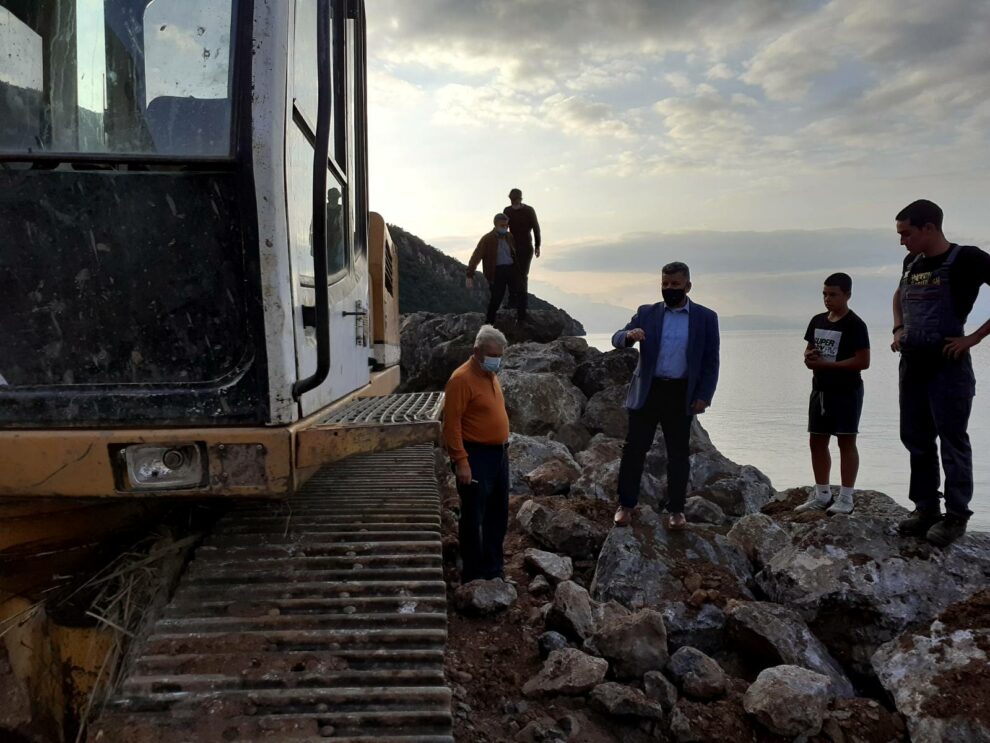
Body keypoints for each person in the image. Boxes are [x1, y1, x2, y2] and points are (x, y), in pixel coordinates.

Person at [891, 199, 990, 546]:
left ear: (929, 228)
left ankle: (957, 516)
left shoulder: (968, 259)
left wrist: (973, 338)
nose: (902, 241)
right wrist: (898, 330)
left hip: (949, 365)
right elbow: (899, 294)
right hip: (913, 364)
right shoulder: (911, 261)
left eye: (906, 233)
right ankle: (926, 508)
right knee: (916, 439)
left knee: (952, 440)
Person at [611, 262, 720, 530]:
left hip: (681, 392)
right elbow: (616, 338)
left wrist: (704, 395)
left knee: (678, 454)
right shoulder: (646, 313)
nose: (669, 289)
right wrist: (629, 336)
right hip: (648, 390)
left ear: (688, 286)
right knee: (634, 450)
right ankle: (626, 506)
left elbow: (711, 360)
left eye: (675, 284)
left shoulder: (706, 317)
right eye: (665, 284)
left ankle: (676, 511)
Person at [794, 273, 870, 515]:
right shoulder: (818, 320)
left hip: (847, 391)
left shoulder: (855, 325)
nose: (828, 299)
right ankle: (822, 494)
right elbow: (809, 351)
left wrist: (831, 366)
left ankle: (846, 497)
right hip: (820, 390)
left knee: (846, 441)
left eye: (833, 294)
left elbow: (863, 360)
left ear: (847, 295)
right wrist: (809, 358)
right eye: (825, 294)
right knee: (816, 441)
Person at [443, 325, 512, 582]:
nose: (496, 360)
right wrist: (461, 461)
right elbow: (451, 424)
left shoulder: (488, 374)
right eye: (492, 354)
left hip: (499, 455)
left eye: (499, 355)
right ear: (477, 351)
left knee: (498, 514)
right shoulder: (461, 379)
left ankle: (493, 570)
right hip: (476, 456)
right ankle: (472, 575)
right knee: (473, 517)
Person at [467, 214, 524, 324]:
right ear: (496, 225)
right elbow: (476, 256)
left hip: (511, 269)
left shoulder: (509, 237)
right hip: (496, 271)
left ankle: (514, 322)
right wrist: (470, 274)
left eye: (507, 226)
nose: (505, 228)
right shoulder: (487, 239)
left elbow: (515, 252)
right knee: (496, 298)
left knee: (516, 294)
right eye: (502, 225)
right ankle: (489, 323)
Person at [503, 188, 541, 315]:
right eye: (512, 200)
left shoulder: (529, 210)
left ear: (520, 199)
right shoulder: (507, 211)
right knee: (511, 275)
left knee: (522, 276)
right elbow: (503, 228)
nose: (514, 202)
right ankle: (512, 302)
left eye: (516, 200)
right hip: (512, 247)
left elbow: (536, 228)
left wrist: (537, 246)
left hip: (526, 247)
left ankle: (522, 305)